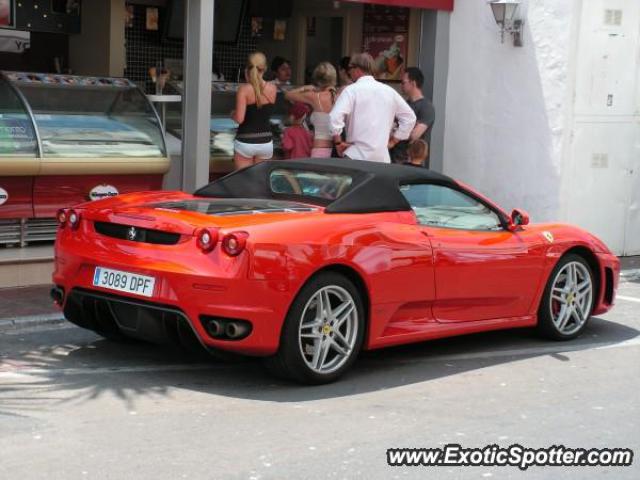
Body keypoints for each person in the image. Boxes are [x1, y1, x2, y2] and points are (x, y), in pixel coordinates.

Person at [329, 53, 416, 163]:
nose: (349, 72)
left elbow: (334, 117)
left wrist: (338, 143)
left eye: (350, 68)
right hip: (381, 157)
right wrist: (394, 140)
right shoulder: (389, 92)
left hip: (356, 155)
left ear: (357, 69)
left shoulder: (351, 90)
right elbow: (410, 118)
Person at [231, 52, 277, 170]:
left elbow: (240, 119)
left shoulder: (244, 90)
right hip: (266, 141)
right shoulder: (272, 88)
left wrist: (232, 114)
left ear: (247, 68)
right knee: (260, 182)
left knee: (243, 182)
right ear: (265, 68)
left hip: (245, 141)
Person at [284, 62, 338, 158]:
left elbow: (287, 95)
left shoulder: (314, 96)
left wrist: (305, 88)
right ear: (334, 79)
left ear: (317, 80)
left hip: (319, 149)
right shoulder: (339, 96)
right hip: (336, 150)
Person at [390, 67, 436, 164]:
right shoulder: (403, 105)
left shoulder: (426, 107)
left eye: (403, 82)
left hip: (410, 161)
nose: (401, 85)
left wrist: (397, 129)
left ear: (413, 83)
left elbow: (414, 135)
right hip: (392, 157)